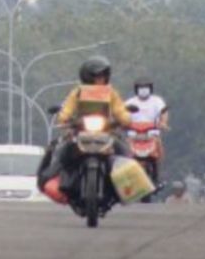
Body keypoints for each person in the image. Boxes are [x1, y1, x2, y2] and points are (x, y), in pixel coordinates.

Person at [39, 55, 133, 200]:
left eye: (103, 75)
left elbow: (119, 110)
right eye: (97, 76)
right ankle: (46, 179)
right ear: (87, 76)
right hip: (80, 132)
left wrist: (125, 119)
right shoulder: (77, 92)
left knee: (124, 150)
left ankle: (130, 186)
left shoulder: (111, 93)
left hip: (106, 133)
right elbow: (67, 109)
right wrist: (64, 117)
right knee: (61, 151)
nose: (100, 79)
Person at [125, 75, 169, 183]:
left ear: (150, 88)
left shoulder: (157, 101)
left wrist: (163, 122)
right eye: (140, 87)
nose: (143, 90)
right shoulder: (130, 102)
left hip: (152, 135)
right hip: (133, 136)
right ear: (136, 89)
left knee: (158, 148)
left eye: (146, 87)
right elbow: (123, 114)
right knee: (124, 152)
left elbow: (163, 112)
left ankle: (158, 174)